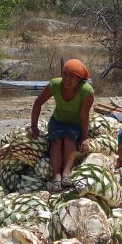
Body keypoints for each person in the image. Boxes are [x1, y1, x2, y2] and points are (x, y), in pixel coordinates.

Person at [30, 58, 94, 189]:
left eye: (72, 76)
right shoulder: (54, 85)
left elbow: (83, 115)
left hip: (74, 124)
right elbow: (38, 103)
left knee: (69, 140)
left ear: (79, 79)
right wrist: (33, 126)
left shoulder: (86, 91)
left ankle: (66, 173)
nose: (67, 79)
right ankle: (56, 176)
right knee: (56, 141)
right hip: (57, 121)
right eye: (65, 74)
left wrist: (84, 138)